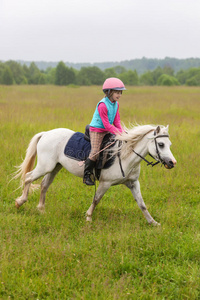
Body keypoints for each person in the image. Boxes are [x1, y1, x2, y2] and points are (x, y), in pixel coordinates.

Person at [83, 77, 126, 185]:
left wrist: (122, 132)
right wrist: (118, 133)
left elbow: (117, 121)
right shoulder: (102, 105)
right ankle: (86, 175)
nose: (119, 95)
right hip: (97, 130)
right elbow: (107, 125)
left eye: (120, 92)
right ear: (109, 92)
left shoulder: (116, 104)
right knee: (95, 152)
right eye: (117, 92)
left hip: (108, 130)